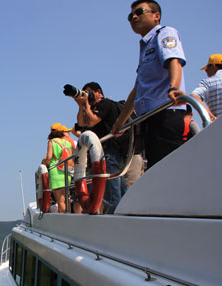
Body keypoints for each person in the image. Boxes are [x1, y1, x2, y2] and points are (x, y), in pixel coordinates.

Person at [112, 0, 187, 169]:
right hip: (149, 118)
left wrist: (174, 88)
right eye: (130, 15)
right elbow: (138, 89)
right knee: (156, 170)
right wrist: (120, 122)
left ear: (156, 16)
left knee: (169, 169)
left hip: (166, 113)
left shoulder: (165, 33)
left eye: (139, 12)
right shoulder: (145, 46)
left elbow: (174, 60)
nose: (134, 17)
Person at [72, 82, 127, 214]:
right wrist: (81, 105)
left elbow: (91, 121)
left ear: (99, 92)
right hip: (101, 152)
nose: (87, 95)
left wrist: (86, 104)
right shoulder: (91, 108)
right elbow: (81, 123)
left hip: (108, 151)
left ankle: (114, 219)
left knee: (112, 191)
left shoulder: (105, 103)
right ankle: (120, 216)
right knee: (115, 187)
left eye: (89, 92)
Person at [190, 54, 222, 120]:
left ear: (213, 67)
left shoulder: (208, 82)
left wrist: (210, 116)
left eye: (207, 69)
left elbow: (194, 96)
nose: (206, 72)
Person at [42, 126, 73, 213]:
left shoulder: (52, 142)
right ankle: (69, 217)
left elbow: (49, 157)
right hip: (66, 172)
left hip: (56, 172)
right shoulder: (68, 143)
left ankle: (65, 221)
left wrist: (45, 164)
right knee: (67, 200)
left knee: (60, 201)